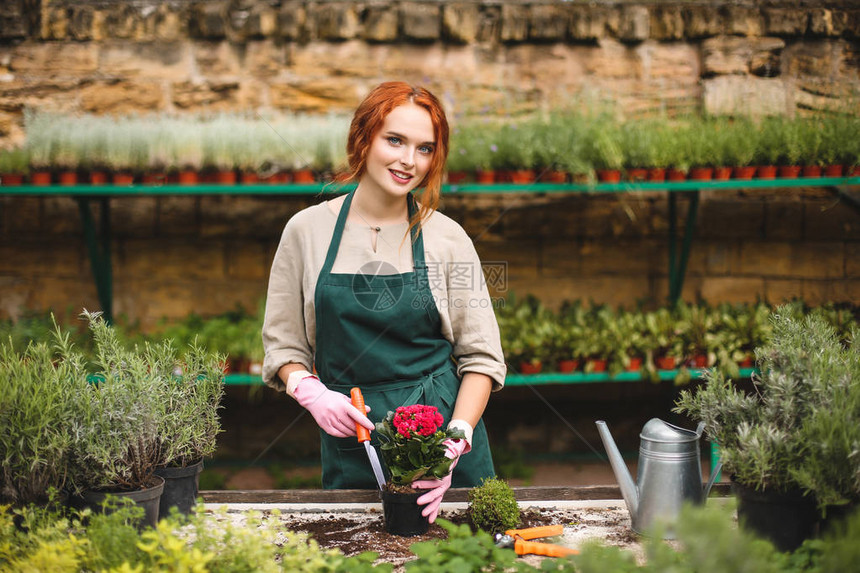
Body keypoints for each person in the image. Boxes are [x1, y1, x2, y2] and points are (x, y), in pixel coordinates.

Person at [262, 81, 505, 521]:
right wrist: (311, 392)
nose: (408, 161)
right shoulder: (306, 231)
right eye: (394, 140)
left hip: (443, 437)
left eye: (425, 148)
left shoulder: (447, 238)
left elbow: (482, 359)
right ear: (363, 139)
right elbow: (283, 346)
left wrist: (456, 438)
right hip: (354, 433)